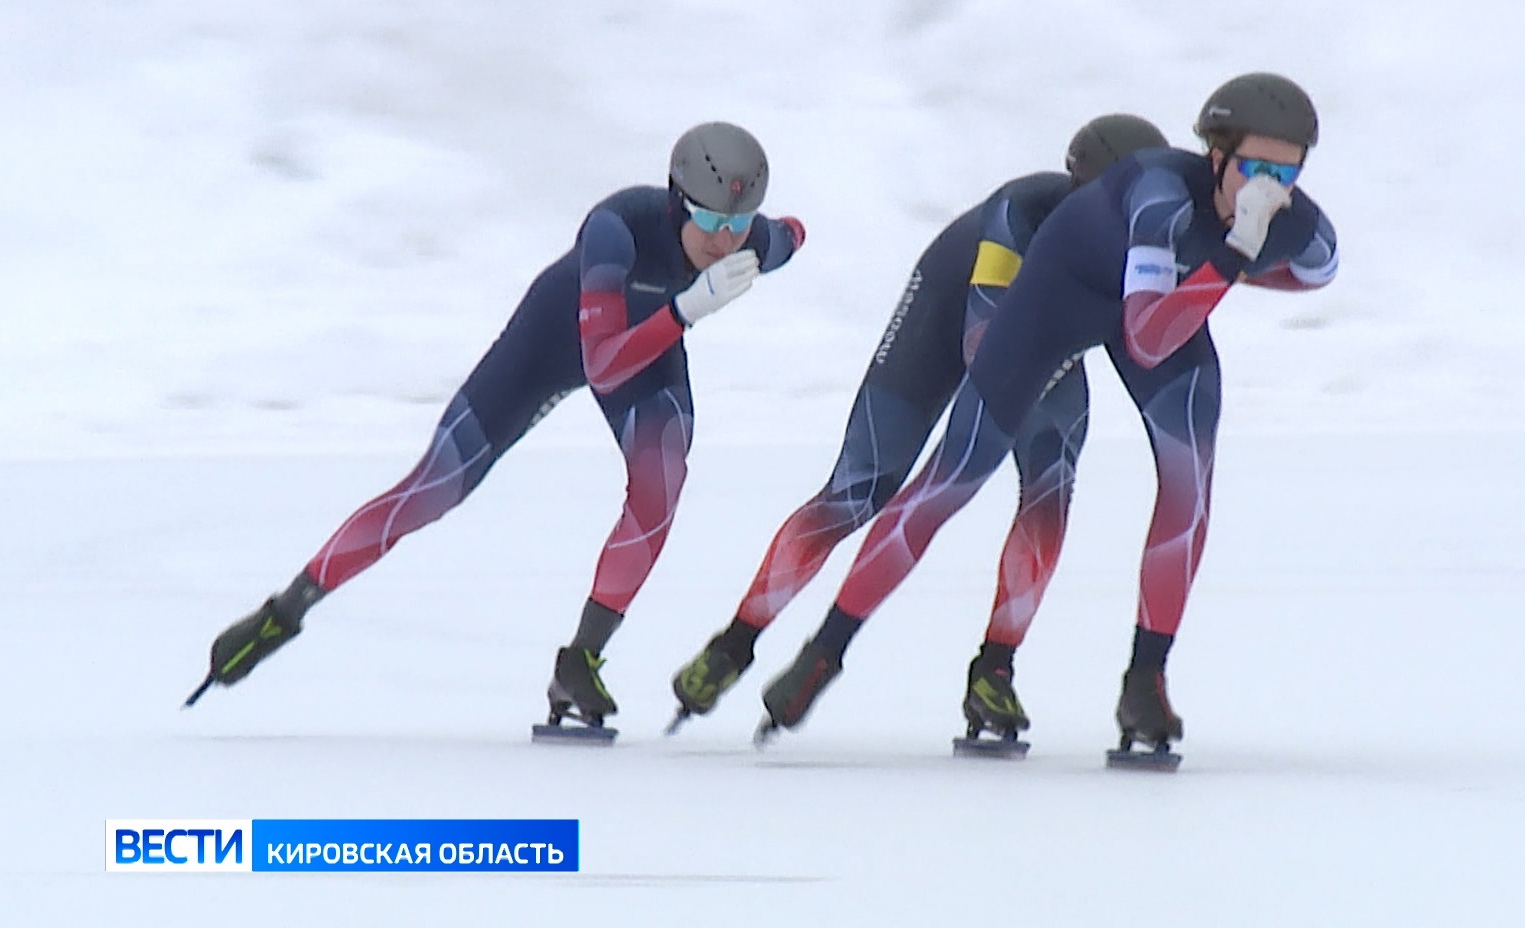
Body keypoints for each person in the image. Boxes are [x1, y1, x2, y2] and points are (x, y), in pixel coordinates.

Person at [753, 74, 1340, 753]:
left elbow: (1317, 271)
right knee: (954, 477)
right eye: (1254, 169)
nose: (1269, 188)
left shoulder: (1296, 221)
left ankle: (1145, 681)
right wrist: (1233, 253)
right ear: (1215, 155)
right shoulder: (1160, 196)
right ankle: (824, 652)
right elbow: (1148, 336)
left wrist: (1236, 254)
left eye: (1285, 173)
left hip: (1159, 308)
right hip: (1060, 299)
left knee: (1191, 485)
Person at [185, 122, 805, 734]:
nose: (724, 240)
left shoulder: (750, 241)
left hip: (647, 347)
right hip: (553, 343)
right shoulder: (617, 227)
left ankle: (580, 662)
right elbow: (602, 363)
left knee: (660, 484)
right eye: (710, 220)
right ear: (676, 201)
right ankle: (284, 611)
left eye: (738, 223)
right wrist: (686, 308)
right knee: (433, 488)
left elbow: (793, 234)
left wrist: (765, 247)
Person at [667, 115, 1171, 740]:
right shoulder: (1020, 214)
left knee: (1052, 489)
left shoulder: (1159, 231)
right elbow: (984, 342)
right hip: (950, 317)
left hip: (1043, 344)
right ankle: (735, 644)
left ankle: (994, 669)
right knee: (859, 490)